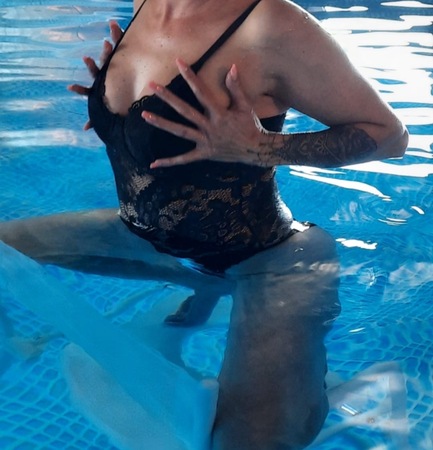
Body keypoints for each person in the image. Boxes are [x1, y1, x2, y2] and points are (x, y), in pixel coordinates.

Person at [0, 0, 408, 448]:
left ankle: (290, 383)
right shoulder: (147, 5)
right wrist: (113, 110)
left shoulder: (270, 22)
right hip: (147, 240)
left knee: (245, 443)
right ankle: (14, 356)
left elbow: (389, 136)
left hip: (267, 261)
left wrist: (261, 147)